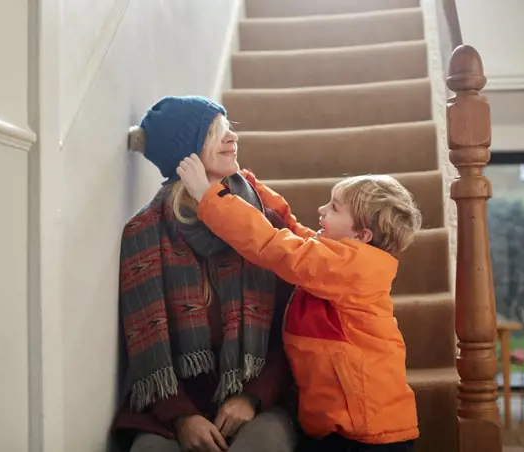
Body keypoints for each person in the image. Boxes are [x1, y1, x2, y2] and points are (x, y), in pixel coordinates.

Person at [176, 154, 422, 452]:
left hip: (368, 434)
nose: (321, 210)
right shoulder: (335, 259)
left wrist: (209, 197)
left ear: (361, 235)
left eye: (333, 208)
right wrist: (252, 187)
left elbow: (278, 246)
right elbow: (292, 230)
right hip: (334, 425)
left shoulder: (354, 269)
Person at [111, 96, 298, 452]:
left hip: (257, 395)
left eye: (229, 129)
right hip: (170, 402)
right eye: (215, 133)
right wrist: (182, 417)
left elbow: (287, 333)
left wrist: (252, 399)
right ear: (184, 156)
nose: (232, 139)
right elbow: (144, 346)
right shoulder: (145, 234)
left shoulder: (260, 223)